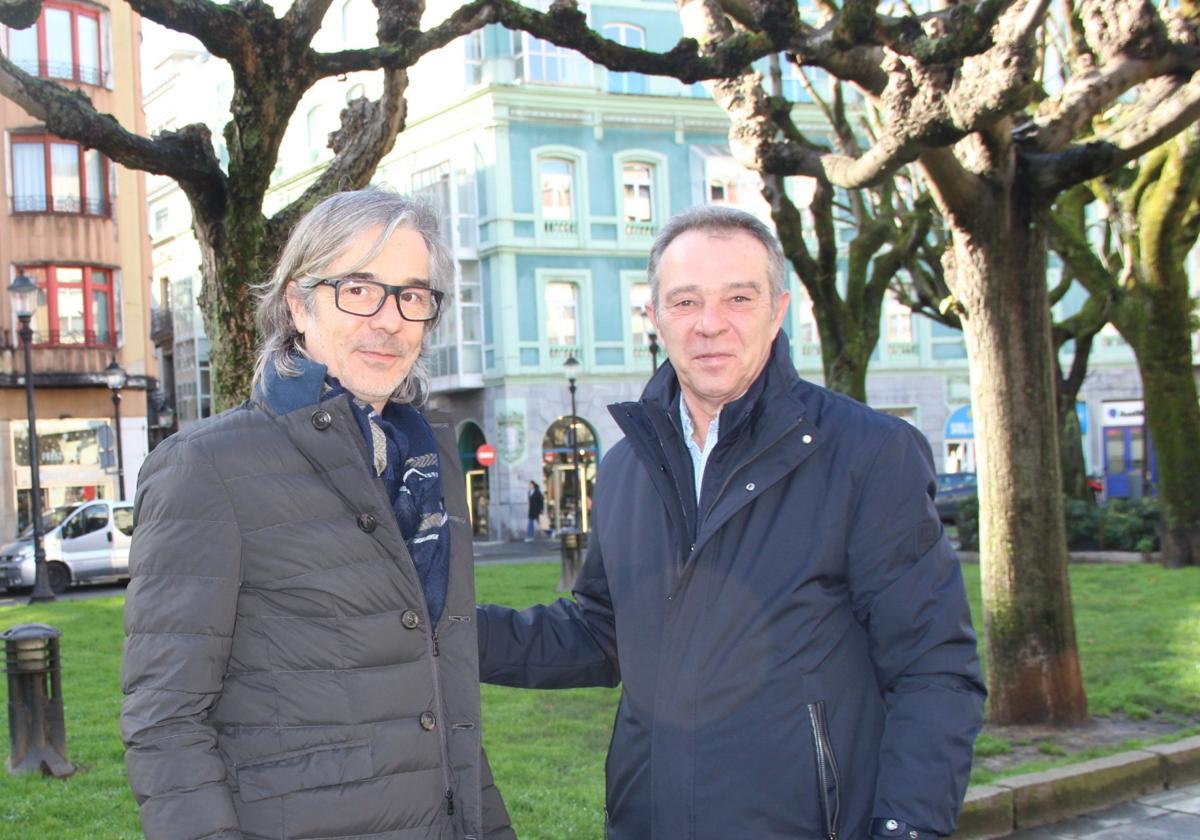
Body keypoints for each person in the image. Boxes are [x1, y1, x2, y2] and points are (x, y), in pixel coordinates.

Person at [477, 205, 986, 839]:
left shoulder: (868, 454)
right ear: (655, 319)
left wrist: (905, 830)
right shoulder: (629, 465)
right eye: (685, 302)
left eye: (738, 298)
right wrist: (447, 633)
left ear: (778, 311)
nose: (710, 325)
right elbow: (603, 631)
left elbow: (934, 668)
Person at [121, 190, 515, 840]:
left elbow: (439, 699)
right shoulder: (204, 466)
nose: (389, 319)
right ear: (300, 305)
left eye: (411, 295)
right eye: (359, 288)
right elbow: (165, 723)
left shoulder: (422, 463)